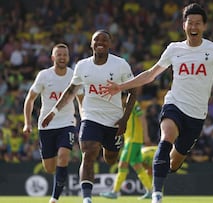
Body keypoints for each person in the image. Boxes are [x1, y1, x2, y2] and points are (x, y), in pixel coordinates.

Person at [100, 3, 213, 203]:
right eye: (190, 23)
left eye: (198, 23)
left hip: (196, 115)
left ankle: (163, 168)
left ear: (204, 26)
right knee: (165, 138)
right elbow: (151, 74)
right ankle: (157, 195)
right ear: (184, 25)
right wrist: (121, 86)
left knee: (174, 163)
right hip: (174, 105)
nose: (193, 27)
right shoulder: (174, 49)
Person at [41, 30, 137, 203]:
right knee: (89, 152)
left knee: (110, 159)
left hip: (114, 120)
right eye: (96, 40)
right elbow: (71, 90)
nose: (100, 42)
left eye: (104, 40)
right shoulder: (82, 66)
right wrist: (53, 112)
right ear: (91, 44)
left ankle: (108, 147)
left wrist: (124, 119)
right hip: (91, 117)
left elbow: (133, 91)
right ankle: (87, 198)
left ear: (110, 43)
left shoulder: (120, 65)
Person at [23, 43, 84, 203]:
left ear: (68, 57)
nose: (62, 57)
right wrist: (27, 123)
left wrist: (85, 119)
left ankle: (54, 199)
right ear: (53, 58)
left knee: (63, 156)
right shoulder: (44, 76)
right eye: (59, 55)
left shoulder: (74, 75)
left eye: (65, 55)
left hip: (67, 123)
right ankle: (58, 180)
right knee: (49, 168)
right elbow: (29, 99)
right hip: (46, 125)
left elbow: (81, 100)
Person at [100, 101, 153, 199]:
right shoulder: (124, 107)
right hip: (132, 140)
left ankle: (115, 192)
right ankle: (150, 191)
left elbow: (143, 119)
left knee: (122, 164)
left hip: (133, 140)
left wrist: (146, 136)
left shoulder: (133, 104)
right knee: (137, 166)